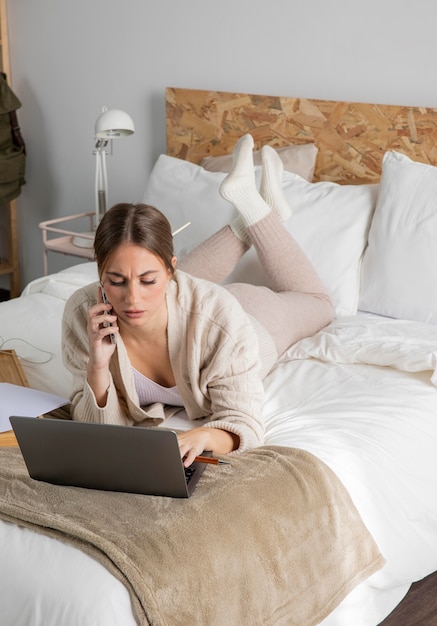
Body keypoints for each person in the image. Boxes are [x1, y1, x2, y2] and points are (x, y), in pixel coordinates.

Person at [62, 134, 334, 466]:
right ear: (100, 273)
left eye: (149, 281)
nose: (132, 297)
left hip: (251, 321)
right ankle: (256, 211)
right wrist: (98, 364)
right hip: (192, 304)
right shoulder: (83, 312)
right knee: (156, 278)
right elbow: (96, 431)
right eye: (116, 281)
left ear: (169, 271)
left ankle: (256, 210)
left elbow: (244, 424)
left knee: (319, 302)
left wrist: (203, 436)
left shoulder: (222, 321)